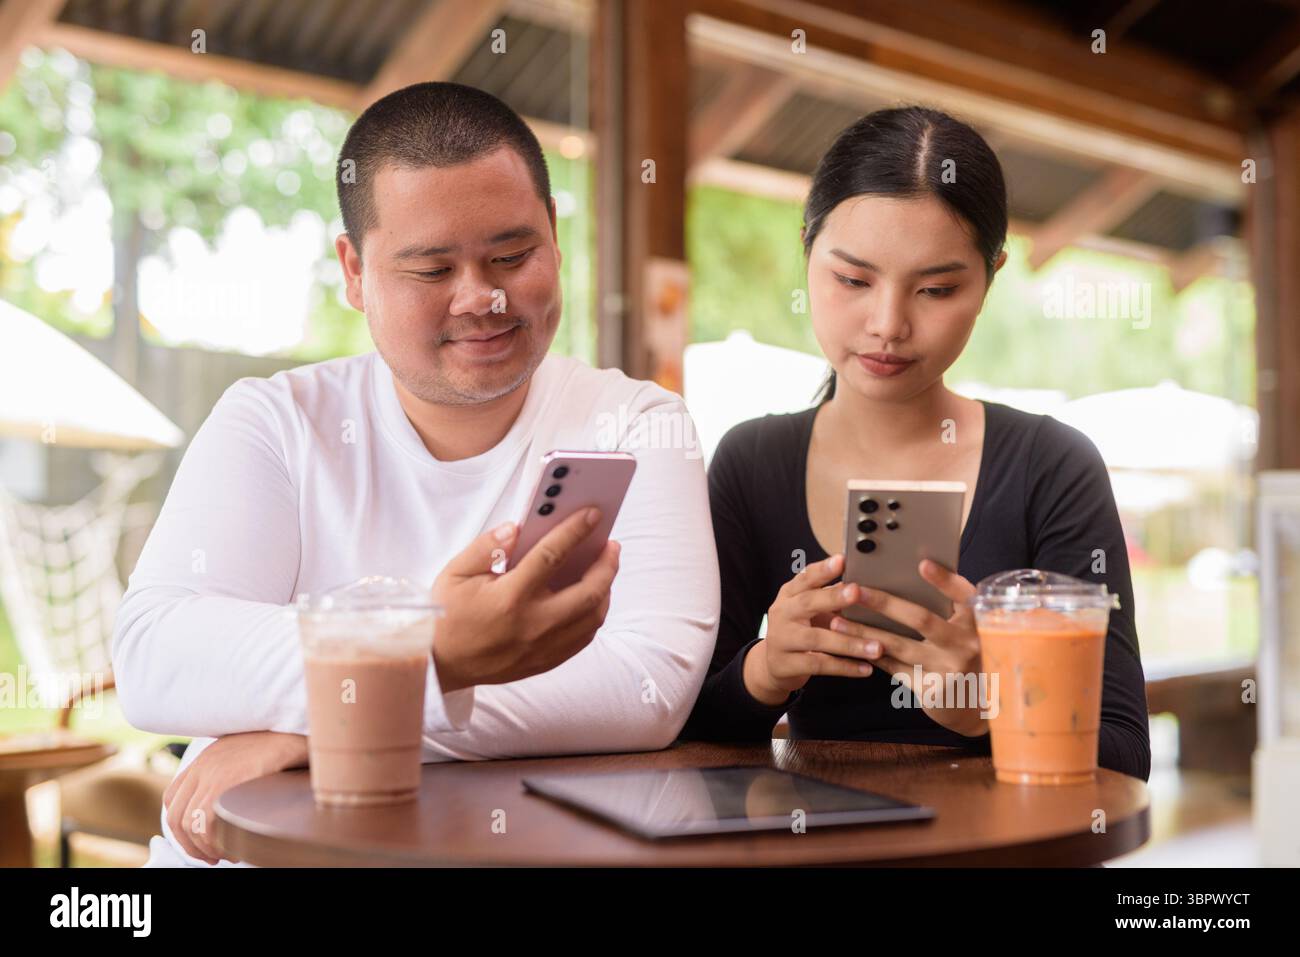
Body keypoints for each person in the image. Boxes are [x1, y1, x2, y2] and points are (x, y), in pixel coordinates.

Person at [112, 82, 720, 867]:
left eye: (512, 255)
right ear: (355, 272)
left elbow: (644, 687)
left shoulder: (638, 422)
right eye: (432, 269)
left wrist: (330, 726)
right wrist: (434, 649)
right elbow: (157, 655)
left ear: (555, 239)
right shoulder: (274, 421)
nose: (483, 296)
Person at [678, 106, 1151, 782]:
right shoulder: (752, 463)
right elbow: (690, 724)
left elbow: (1127, 753)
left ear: (991, 278)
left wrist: (989, 709)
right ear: (806, 248)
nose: (888, 324)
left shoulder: (1051, 467)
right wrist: (764, 668)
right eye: (852, 280)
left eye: (936, 288)